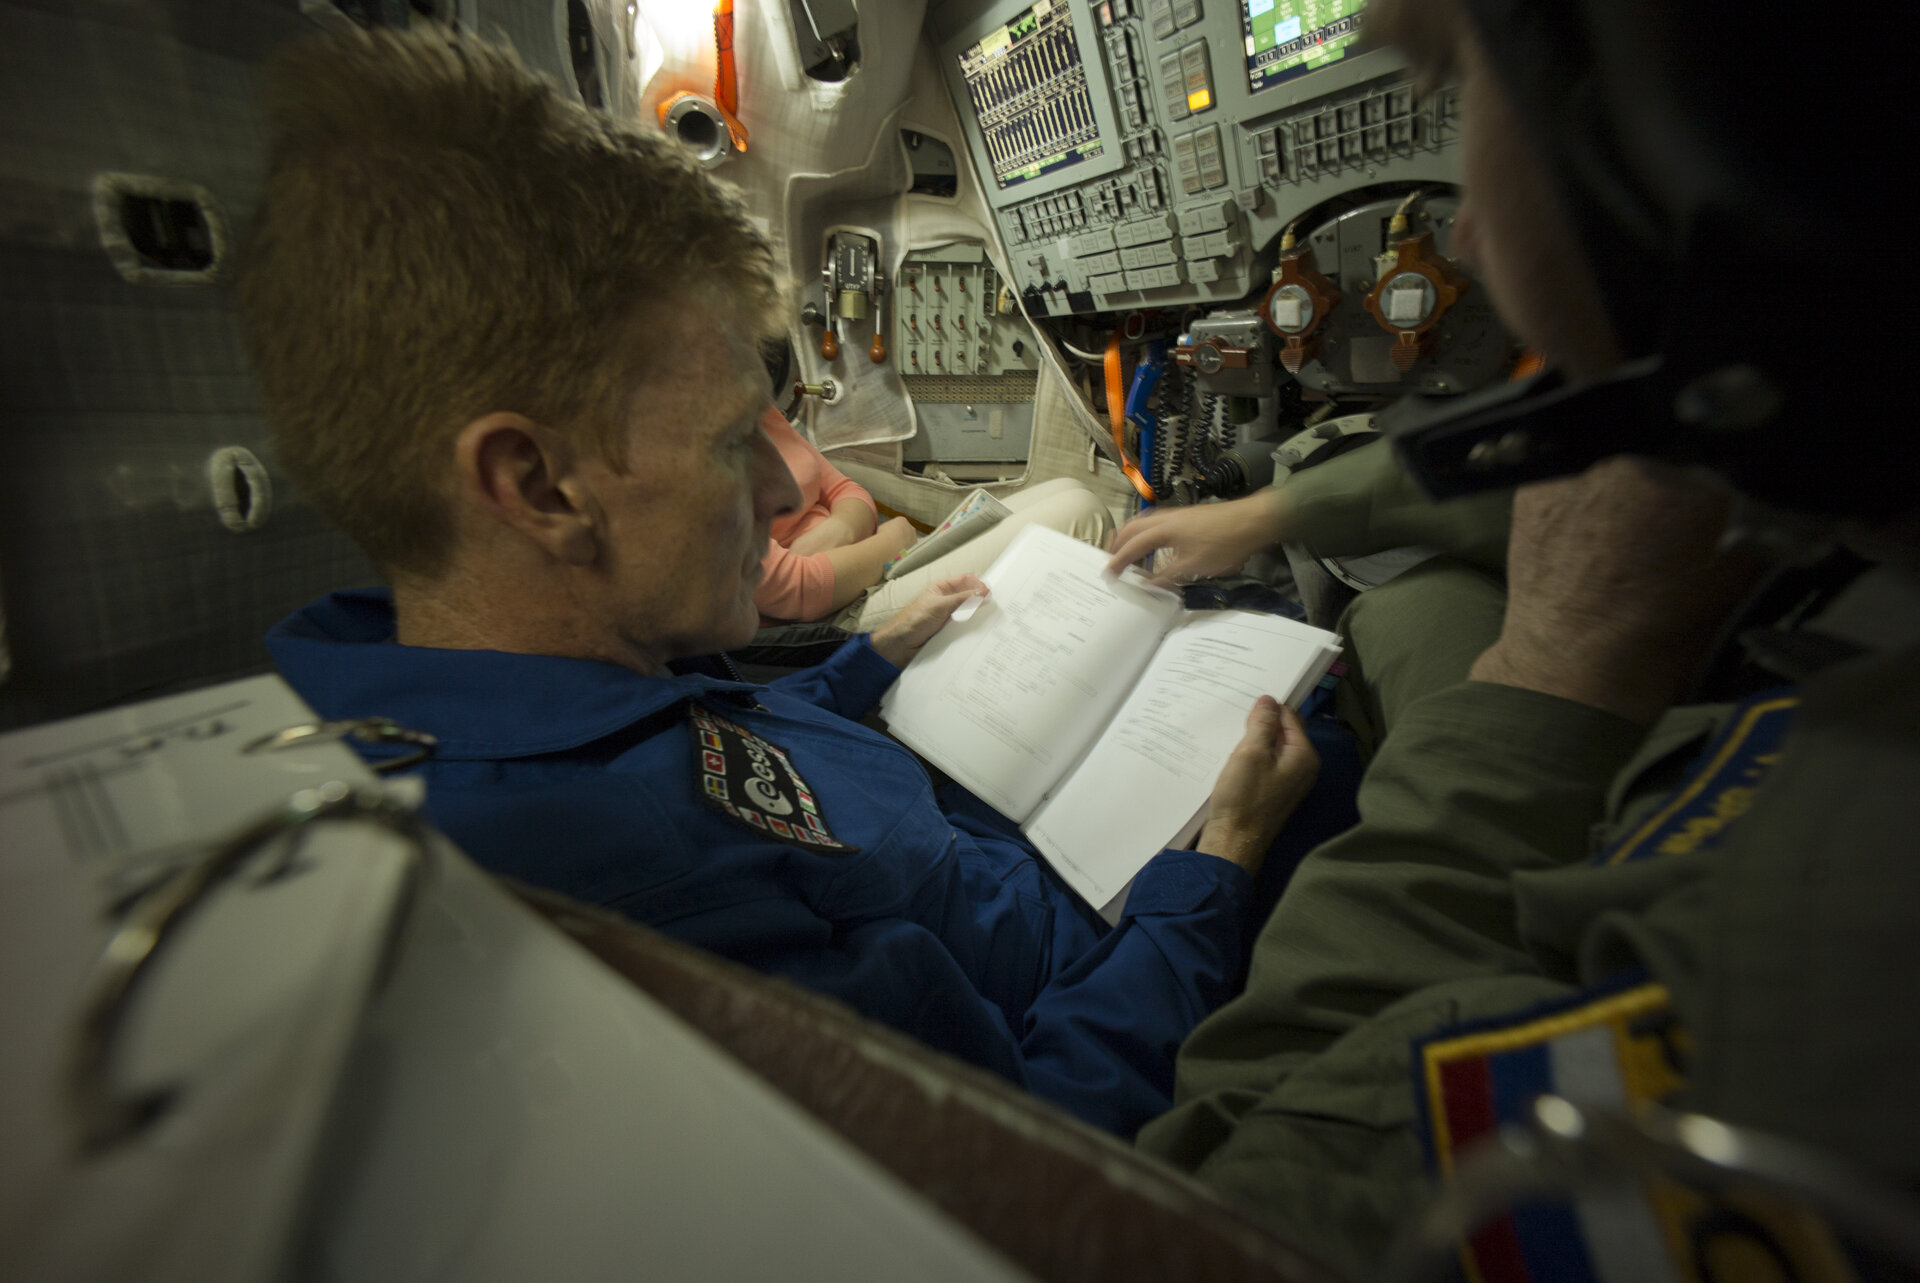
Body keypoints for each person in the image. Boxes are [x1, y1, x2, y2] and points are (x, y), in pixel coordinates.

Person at [239, 27, 1323, 1140]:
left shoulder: (491, 673)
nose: (776, 486)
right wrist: (1219, 869)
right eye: (725, 444)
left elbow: (724, 751)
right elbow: (1046, 1139)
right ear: (536, 486)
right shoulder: (648, 892)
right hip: (1121, 952)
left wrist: (871, 657)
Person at [1110, 0, 1919, 1275]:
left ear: (1719, 140)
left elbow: (1210, 1212)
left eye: (1453, 79)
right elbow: (1580, 447)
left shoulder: (1807, 962)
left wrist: (1552, 673)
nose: (1470, 230)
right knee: (1409, 603)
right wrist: (1272, 508)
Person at [755, 411, 1115, 631]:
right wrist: (892, 539)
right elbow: (799, 589)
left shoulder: (758, 413)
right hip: (830, 617)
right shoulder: (702, 461)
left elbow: (847, 491)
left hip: (867, 567)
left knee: (1069, 488)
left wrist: (843, 529)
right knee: (1083, 515)